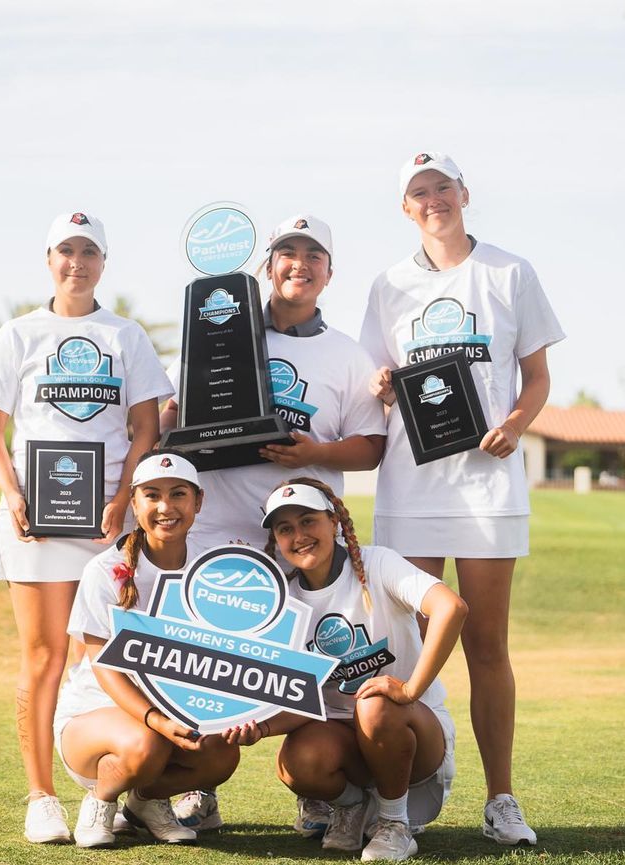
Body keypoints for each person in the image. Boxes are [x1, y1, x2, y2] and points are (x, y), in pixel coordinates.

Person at [359, 152, 565, 846]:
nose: (432, 199)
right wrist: (384, 387)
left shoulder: (509, 271)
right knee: (402, 643)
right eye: (418, 192)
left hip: (487, 488)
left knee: (484, 643)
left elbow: (536, 376)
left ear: (464, 193)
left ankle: (501, 799)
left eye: (441, 187)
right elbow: (374, 378)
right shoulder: (388, 285)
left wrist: (514, 423)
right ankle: (390, 799)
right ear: (405, 209)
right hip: (411, 485)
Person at [160, 214, 387, 833]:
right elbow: (172, 424)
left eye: (314, 256)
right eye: (288, 253)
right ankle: (199, 785)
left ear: (329, 273)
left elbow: (370, 446)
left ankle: (315, 789)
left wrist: (315, 453)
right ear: (267, 266)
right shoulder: (215, 335)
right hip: (214, 528)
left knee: (301, 664)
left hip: (299, 540)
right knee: (204, 660)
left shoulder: (346, 352)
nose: (300, 264)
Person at [0, 211, 173, 843]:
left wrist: (121, 498)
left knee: (116, 657)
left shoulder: (124, 335)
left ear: (104, 263)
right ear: (48, 259)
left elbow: (145, 430)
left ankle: (130, 792)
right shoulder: (19, 334)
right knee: (44, 657)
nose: (76, 262)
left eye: (89, 251)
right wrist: (14, 495)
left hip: (108, 525)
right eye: (65, 250)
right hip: (34, 523)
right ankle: (41, 797)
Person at [225, 478, 467, 862]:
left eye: (308, 521)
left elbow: (451, 608)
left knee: (375, 702)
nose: (299, 536)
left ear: (334, 521)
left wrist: (410, 690)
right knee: (296, 764)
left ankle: (394, 824)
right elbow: (298, 695)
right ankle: (352, 807)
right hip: (345, 742)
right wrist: (261, 727)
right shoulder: (279, 598)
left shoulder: (378, 562)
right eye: (285, 529)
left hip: (413, 740)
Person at [53, 450, 242, 848]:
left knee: (222, 754)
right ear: (134, 502)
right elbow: (103, 667)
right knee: (147, 743)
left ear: (198, 501)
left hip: (170, 719)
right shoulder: (104, 569)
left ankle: (146, 800)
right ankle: (101, 799)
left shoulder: (214, 569)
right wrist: (155, 719)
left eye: (178, 494)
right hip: (97, 721)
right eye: (152, 495)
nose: (166, 507)